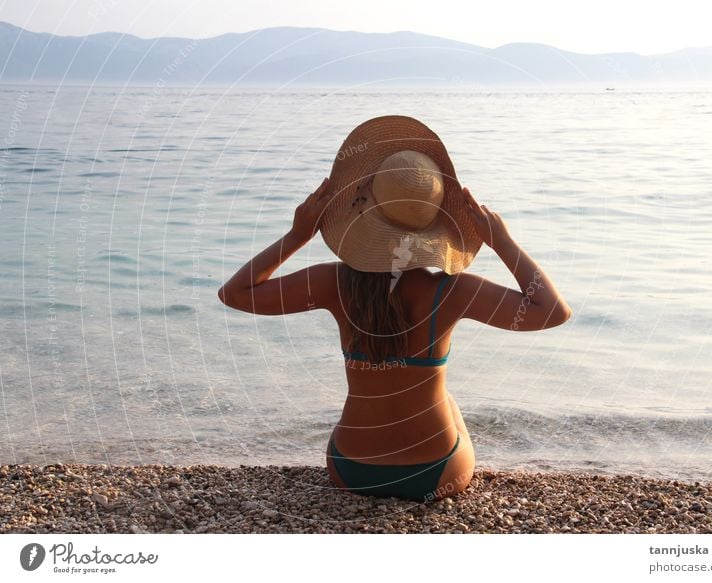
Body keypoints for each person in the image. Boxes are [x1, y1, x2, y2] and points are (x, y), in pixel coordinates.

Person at [218, 115, 572, 503]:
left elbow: (235, 294)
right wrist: (502, 242)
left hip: (352, 470)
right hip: (435, 475)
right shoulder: (452, 291)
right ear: (436, 222)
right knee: (447, 401)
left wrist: (297, 235)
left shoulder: (332, 284)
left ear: (361, 209)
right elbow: (552, 312)